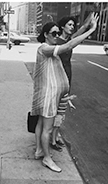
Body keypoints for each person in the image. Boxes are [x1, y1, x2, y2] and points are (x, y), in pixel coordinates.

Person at [31, 14, 98, 173]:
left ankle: (39, 150)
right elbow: (68, 46)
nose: (56, 36)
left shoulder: (47, 48)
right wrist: (92, 29)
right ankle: (47, 158)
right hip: (48, 95)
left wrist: (86, 23)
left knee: (41, 124)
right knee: (47, 128)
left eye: (57, 33)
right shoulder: (44, 48)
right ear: (46, 35)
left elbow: (70, 39)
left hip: (46, 94)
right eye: (53, 34)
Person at [50, 13, 96, 152]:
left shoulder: (69, 39)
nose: (72, 27)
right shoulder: (58, 42)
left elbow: (80, 30)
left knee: (62, 110)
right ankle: (52, 139)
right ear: (62, 27)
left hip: (67, 78)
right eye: (69, 25)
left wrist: (89, 21)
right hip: (58, 78)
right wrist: (90, 28)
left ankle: (56, 135)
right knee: (56, 110)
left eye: (73, 25)